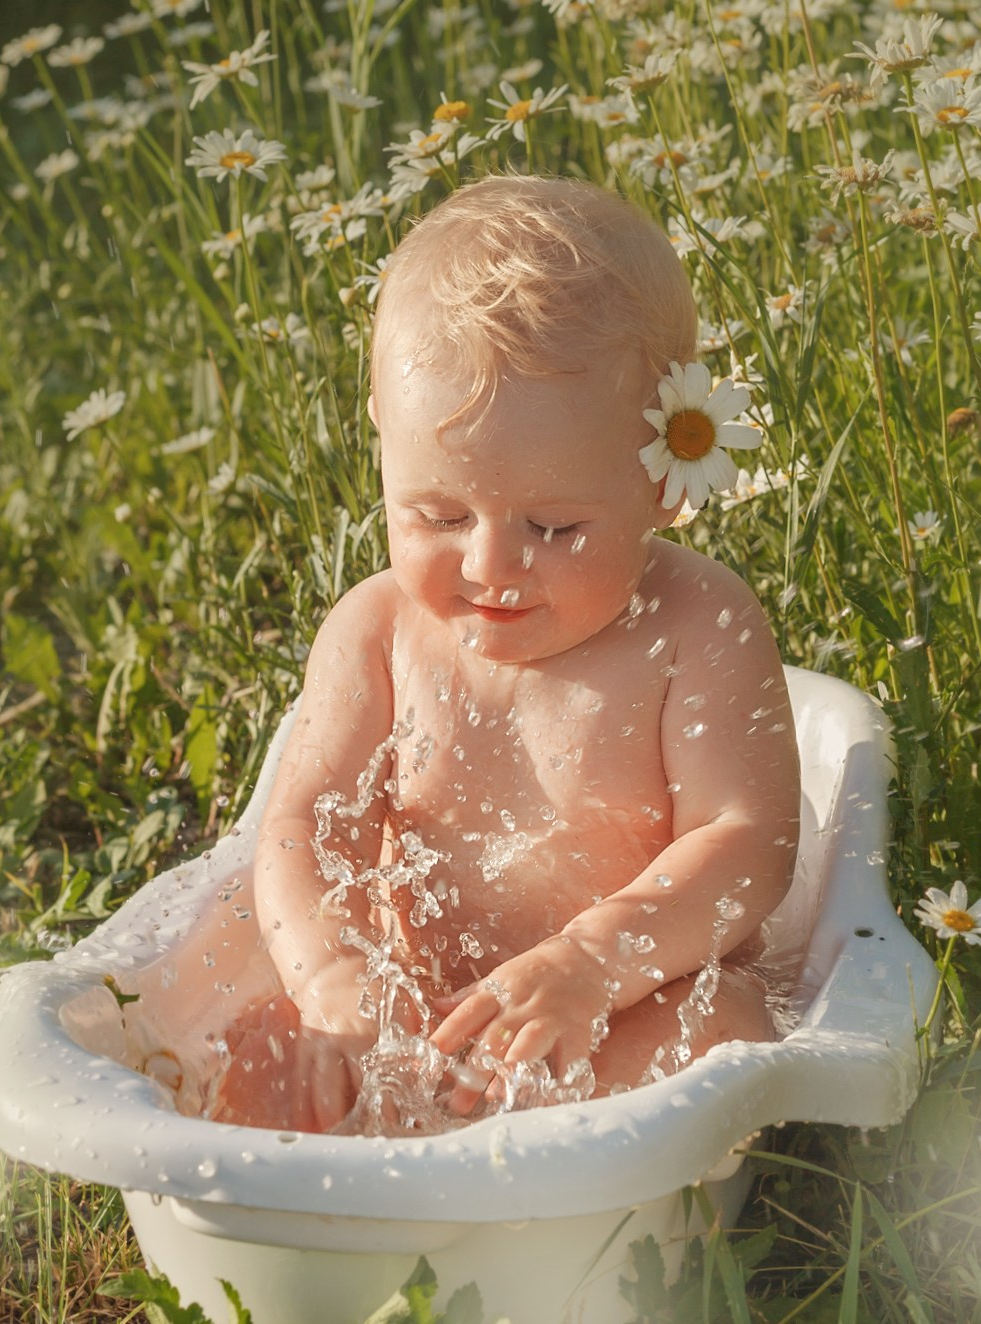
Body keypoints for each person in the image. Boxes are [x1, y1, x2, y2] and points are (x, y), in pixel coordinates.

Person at [215, 173, 800, 1135]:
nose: (492, 565)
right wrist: (337, 979)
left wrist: (593, 964)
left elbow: (750, 846)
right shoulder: (376, 632)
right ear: (382, 444)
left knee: (724, 1027)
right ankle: (314, 1214)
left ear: (664, 483)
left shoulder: (695, 627)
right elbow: (301, 830)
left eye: (557, 526)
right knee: (259, 1047)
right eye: (438, 514)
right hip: (419, 1018)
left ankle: (543, 1177)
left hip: (621, 1006)